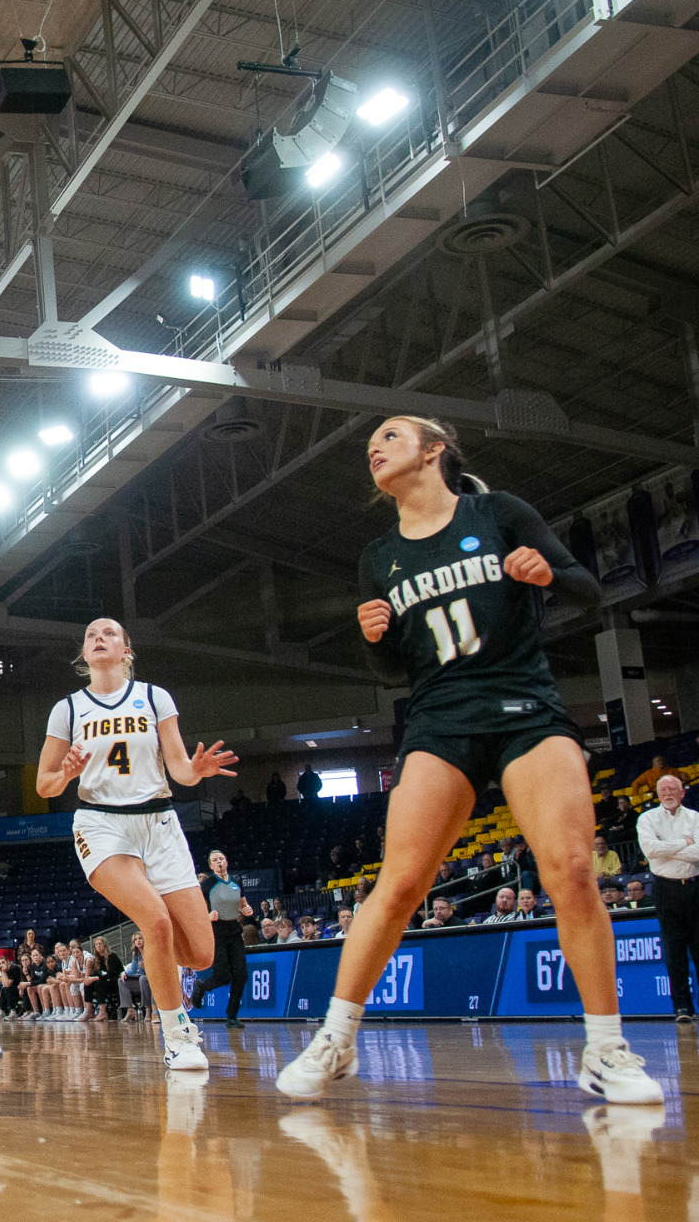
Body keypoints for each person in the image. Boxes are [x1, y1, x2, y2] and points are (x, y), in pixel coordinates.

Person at [277, 415, 660, 1104]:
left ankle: (606, 1051)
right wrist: (374, 642)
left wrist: (546, 570)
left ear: (434, 449)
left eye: (391, 435)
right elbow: (395, 667)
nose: (375, 446)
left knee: (572, 869)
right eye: (372, 445)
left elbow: (589, 589)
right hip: (440, 719)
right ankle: (336, 1040)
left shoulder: (499, 512)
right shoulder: (379, 555)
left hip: (524, 708)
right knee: (398, 884)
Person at [37, 618, 237, 1071]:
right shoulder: (67, 709)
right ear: (84, 654)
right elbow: (45, 784)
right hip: (101, 825)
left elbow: (181, 770)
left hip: (159, 821)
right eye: (91, 636)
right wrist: (67, 772)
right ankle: (177, 1033)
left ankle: (161, 966)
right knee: (156, 921)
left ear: (126, 649)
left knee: (202, 952)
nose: (99, 638)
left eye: (109, 633)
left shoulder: (153, 696)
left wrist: (198, 770)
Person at [637, 772, 699, 1021]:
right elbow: (650, 849)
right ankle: (682, 1007)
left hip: (695, 887)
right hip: (665, 888)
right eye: (664, 790)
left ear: (683, 792)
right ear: (658, 793)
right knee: (674, 951)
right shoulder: (647, 819)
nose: (669, 794)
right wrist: (685, 842)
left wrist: (667, 848)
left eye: (673, 789)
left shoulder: (695, 817)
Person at [189, 849, 252, 1028]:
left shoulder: (237, 882)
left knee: (241, 975)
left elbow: (243, 904)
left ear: (227, 862)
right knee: (223, 976)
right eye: (215, 860)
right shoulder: (207, 885)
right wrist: (208, 915)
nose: (219, 862)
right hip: (216, 934)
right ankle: (202, 986)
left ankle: (232, 1016)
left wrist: (246, 910)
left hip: (234, 932)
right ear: (210, 865)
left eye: (222, 859)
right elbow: (197, 911)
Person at [118, 935, 150, 1019]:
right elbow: (133, 969)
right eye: (136, 939)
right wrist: (124, 973)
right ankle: (130, 1009)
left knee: (142, 978)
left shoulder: (149, 951)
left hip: (150, 980)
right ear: (134, 942)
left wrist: (145, 967)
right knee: (121, 980)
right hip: (141, 981)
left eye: (140, 938)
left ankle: (148, 1010)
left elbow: (154, 970)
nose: (138, 941)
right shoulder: (136, 953)